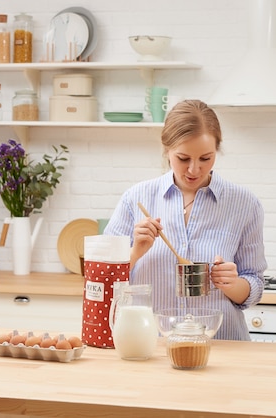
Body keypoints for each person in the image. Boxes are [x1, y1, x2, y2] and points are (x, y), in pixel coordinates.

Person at [103, 99, 267, 340]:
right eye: (183, 158)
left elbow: (255, 284)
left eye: (205, 158)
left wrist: (232, 284)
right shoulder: (135, 198)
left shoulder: (245, 204)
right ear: (166, 149)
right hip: (152, 347)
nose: (194, 170)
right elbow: (103, 280)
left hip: (223, 348)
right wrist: (135, 252)